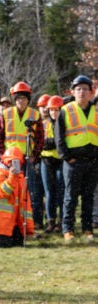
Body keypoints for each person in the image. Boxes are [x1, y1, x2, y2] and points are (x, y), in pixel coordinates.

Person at [0, 81, 45, 231]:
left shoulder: (35, 115)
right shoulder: (6, 114)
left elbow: (40, 138)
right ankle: (11, 222)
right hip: (9, 161)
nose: (20, 101)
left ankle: (33, 223)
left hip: (28, 159)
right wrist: (3, 156)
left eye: (23, 98)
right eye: (18, 98)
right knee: (9, 191)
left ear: (28, 99)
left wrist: (35, 155)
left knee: (31, 191)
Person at [55, 75, 98, 242]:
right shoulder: (66, 110)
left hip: (93, 161)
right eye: (78, 89)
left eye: (85, 89)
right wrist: (66, 157)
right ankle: (68, 229)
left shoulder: (95, 111)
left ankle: (87, 229)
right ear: (73, 92)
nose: (82, 92)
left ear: (90, 92)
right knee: (70, 197)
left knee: (88, 197)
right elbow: (59, 136)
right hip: (73, 161)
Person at [0, 146, 34, 247]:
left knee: (18, 243)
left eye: (16, 162)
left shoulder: (21, 179)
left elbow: (26, 205)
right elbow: (3, 192)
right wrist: (12, 177)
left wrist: (28, 229)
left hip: (12, 225)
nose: (13, 164)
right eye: (11, 162)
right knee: (2, 244)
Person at [41, 95, 65, 233]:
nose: (54, 113)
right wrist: (54, 142)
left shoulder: (65, 123)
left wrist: (52, 142)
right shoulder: (44, 124)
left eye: (56, 110)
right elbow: (42, 143)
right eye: (51, 110)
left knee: (62, 191)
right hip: (47, 160)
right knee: (49, 192)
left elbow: (63, 142)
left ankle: (62, 222)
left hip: (61, 160)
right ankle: (51, 221)